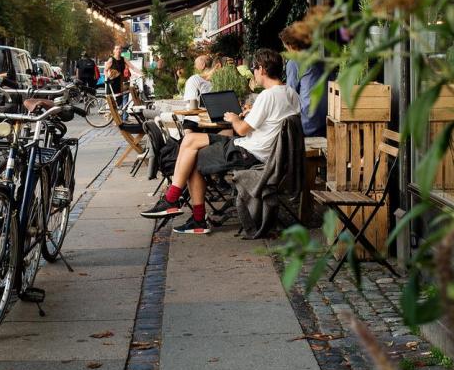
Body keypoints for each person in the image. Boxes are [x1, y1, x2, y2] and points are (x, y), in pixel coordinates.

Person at [140, 49, 300, 234]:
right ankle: (178, 205)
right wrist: (251, 113)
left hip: (249, 153)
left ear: (262, 69)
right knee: (191, 143)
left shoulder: (268, 95)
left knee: (192, 154)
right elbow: (272, 120)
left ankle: (184, 209)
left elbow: (240, 129)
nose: (254, 72)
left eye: (255, 68)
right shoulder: (289, 93)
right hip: (264, 152)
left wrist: (234, 118)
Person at [279, 22, 328, 137]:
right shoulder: (321, 60)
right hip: (326, 122)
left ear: (291, 46)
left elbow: (290, 96)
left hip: (307, 125)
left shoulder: (294, 62)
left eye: (286, 47)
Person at [182, 54, 213, 132]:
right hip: (209, 119)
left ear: (203, 65)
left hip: (195, 120)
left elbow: (192, 105)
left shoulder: (194, 79)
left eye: (195, 64)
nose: (194, 67)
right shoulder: (218, 80)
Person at [104, 44, 140, 113]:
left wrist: (141, 73)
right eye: (117, 49)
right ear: (114, 51)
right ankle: (113, 118)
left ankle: (118, 119)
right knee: (112, 101)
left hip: (119, 82)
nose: (118, 50)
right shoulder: (111, 59)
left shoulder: (123, 59)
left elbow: (133, 67)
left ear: (121, 50)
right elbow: (105, 70)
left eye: (120, 49)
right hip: (112, 82)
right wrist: (107, 77)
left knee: (119, 102)